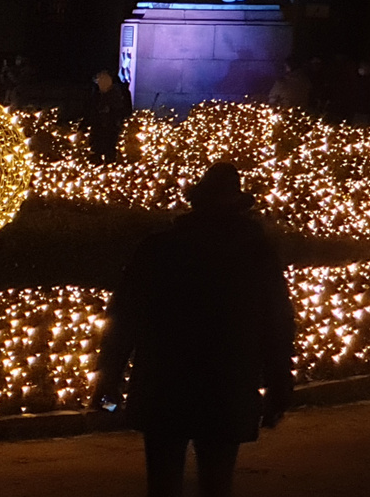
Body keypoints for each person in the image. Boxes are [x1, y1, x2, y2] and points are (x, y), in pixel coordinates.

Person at [94, 163, 296, 497]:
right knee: (216, 481)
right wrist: (279, 385)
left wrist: (109, 377)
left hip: (165, 382)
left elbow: (124, 316)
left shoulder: (159, 248)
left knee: (163, 481)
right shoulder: (254, 255)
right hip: (226, 383)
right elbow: (276, 323)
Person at [85, 69, 133, 164]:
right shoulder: (97, 93)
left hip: (111, 128)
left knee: (109, 151)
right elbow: (91, 110)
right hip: (99, 128)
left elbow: (125, 111)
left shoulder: (118, 94)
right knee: (97, 151)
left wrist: (112, 113)